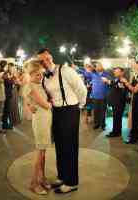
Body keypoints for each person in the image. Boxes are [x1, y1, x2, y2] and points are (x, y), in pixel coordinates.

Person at [37, 48, 87, 194]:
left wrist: (80, 106)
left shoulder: (65, 71)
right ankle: (62, 176)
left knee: (70, 146)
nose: (45, 62)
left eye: (46, 59)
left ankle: (72, 182)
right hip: (56, 112)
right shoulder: (44, 77)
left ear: (51, 57)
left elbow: (81, 89)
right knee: (59, 145)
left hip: (70, 110)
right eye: (41, 60)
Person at [22, 60, 52, 195]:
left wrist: (30, 104)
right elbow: (45, 105)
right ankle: (34, 183)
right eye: (36, 74)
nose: (40, 77)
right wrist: (55, 103)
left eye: (41, 74)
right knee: (40, 153)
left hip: (45, 120)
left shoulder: (38, 85)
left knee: (44, 152)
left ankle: (42, 178)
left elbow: (33, 102)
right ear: (30, 74)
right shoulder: (30, 86)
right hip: (40, 121)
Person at [83, 62, 110, 130]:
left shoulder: (106, 74)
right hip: (95, 96)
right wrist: (88, 67)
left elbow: (110, 81)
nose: (97, 67)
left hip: (103, 96)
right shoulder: (93, 74)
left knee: (103, 111)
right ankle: (96, 124)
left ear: (102, 66)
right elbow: (85, 73)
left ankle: (102, 124)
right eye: (96, 66)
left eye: (98, 66)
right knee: (96, 111)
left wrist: (107, 81)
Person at [103, 67, 129, 138]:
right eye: (115, 72)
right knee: (116, 117)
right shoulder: (116, 79)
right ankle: (115, 131)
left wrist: (108, 82)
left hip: (119, 102)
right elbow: (114, 86)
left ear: (122, 73)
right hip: (115, 102)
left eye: (117, 72)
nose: (115, 73)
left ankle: (116, 132)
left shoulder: (123, 80)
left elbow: (118, 86)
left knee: (117, 118)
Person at [0, 61, 14, 130]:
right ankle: (4, 124)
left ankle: (5, 123)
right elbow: (7, 82)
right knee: (6, 109)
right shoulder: (5, 73)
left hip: (8, 92)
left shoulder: (7, 73)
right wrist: (12, 79)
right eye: (8, 66)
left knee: (7, 109)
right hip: (6, 93)